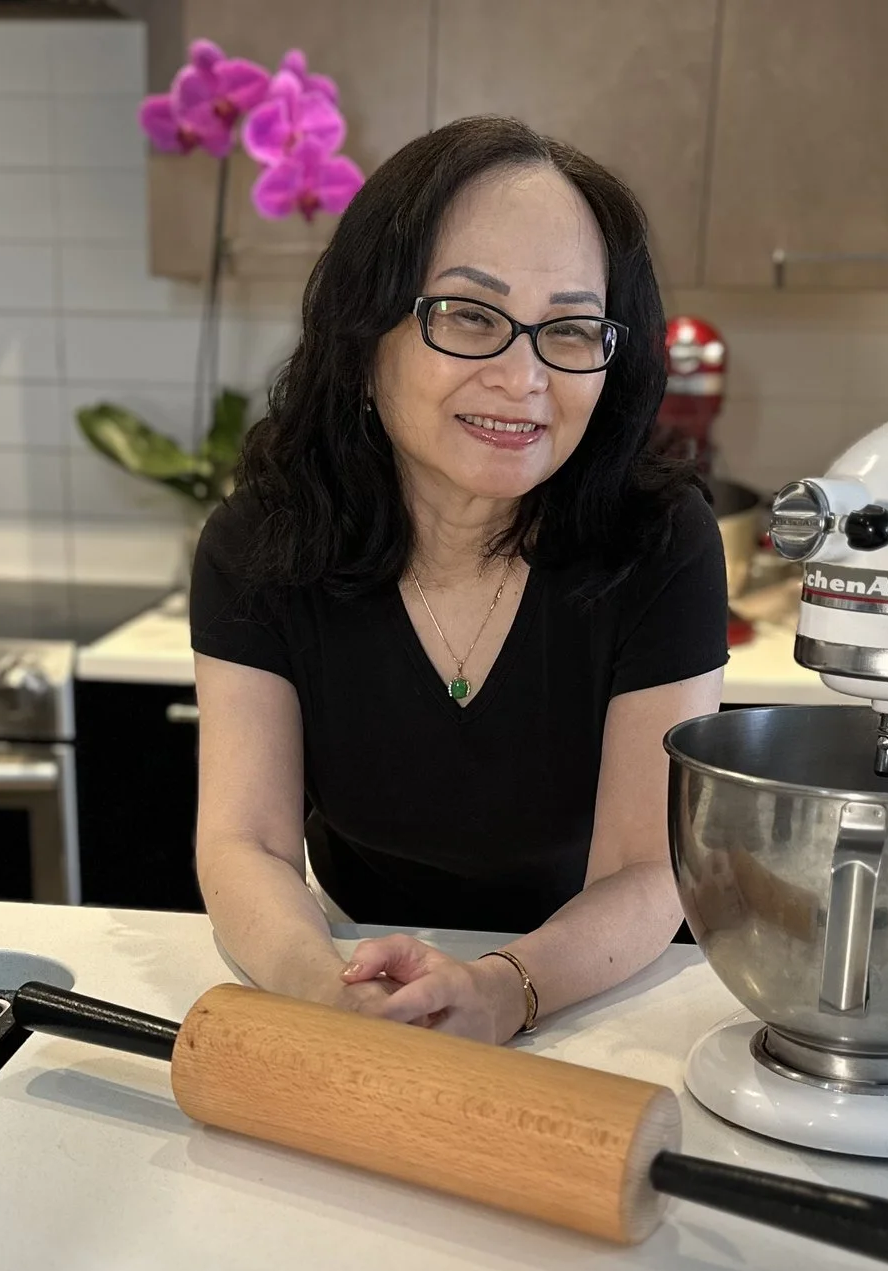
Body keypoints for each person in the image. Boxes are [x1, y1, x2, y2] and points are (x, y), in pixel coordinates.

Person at [190, 116, 727, 1045]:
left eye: (569, 329)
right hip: (351, 962)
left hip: (587, 990)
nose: (523, 378)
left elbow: (647, 868)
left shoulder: (660, 541)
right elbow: (248, 843)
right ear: (365, 335)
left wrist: (504, 989)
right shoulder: (263, 542)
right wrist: (325, 989)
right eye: (471, 316)